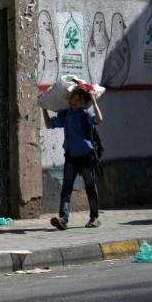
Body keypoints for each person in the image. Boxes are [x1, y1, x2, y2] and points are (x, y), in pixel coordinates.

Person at [42, 86, 104, 230]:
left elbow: (99, 119)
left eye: (78, 99)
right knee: (66, 188)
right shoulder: (66, 115)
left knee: (90, 186)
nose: (74, 101)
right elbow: (49, 124)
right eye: (73, 98)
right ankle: (63, 219)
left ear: (84, 102)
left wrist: (94, 100)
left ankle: (94, 217)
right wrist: (43, 107)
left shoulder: (85, 115)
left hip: (86, 157)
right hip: (70, 156)